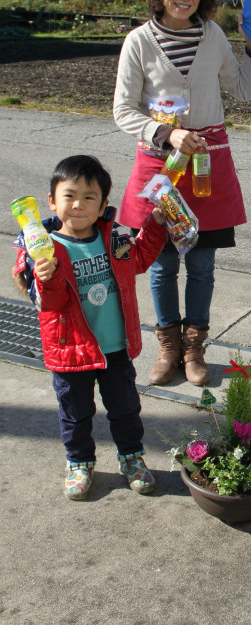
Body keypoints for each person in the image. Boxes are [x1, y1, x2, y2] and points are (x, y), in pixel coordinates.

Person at [113, 0, 251, 387]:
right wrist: (167, 133)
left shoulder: (214, 35)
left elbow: (241, 91)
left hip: (207, 166)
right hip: (160, 168)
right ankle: (167, 348)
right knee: (161, 265)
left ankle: (194, 350)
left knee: (201, 265)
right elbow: (123, 110)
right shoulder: (138, 41)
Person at [12, 155, 168, 501]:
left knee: (126, 408)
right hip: (70, 351)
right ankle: (79, 462)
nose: (78, 205)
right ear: (51, 201)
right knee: (75, 414)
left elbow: (139, 258)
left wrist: (156, 224)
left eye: (89, 197)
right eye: (69, 195)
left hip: (115, 346)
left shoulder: (113, 239)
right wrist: (44, 277)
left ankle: (132, 458)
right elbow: (48, 304)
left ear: (103, 206)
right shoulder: (41, 249)